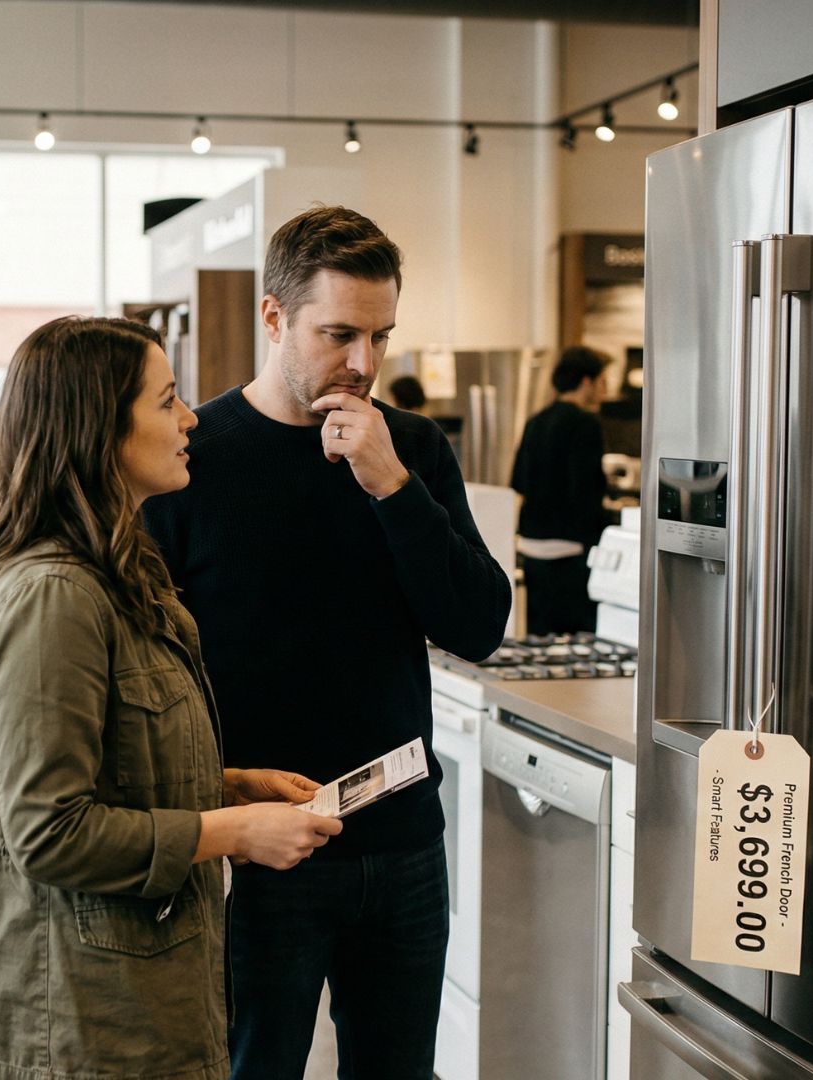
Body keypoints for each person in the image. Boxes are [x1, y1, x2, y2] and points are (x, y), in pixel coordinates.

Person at [144, 207, 511, 1079]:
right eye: (338, 333)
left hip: (402, 841)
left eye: (380, 336)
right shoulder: (196, 456)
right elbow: (153, 667)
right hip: (258, 849)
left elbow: (479, 625)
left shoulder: (410, 447)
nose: (363, 363)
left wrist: (390, 486)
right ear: (273, 318)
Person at [0, 316, 344, 1080]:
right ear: (99, 429)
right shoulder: (54, 596)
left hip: (136, 993)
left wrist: (230, 785)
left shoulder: (117, 568)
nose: (190, 418)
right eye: (167, 400)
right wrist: (234, 830)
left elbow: (115, 767)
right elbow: (49, 830)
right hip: (79, 1014)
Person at [509, 345, 612, 634]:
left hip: (532, 547)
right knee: (577, 641)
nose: (605, 389)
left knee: (543, 640)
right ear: (587, 381)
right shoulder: (585, 424)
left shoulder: (536, 421)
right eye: (603, 381)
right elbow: (586, 493)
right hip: (569, 551)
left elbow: (518, 481)